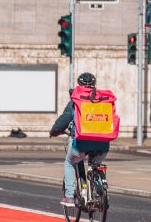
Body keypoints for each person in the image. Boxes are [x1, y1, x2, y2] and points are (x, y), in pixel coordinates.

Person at [49, 72, 110, 208]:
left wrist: (54, 131)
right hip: (103, 144)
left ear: (79, 84)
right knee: (95, 164)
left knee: (69, 162)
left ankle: (69, 197)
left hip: (81, 144)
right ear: (94, 85)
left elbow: (63, 121)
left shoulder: (76, 100)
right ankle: (100, 187)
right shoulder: (102, 99)